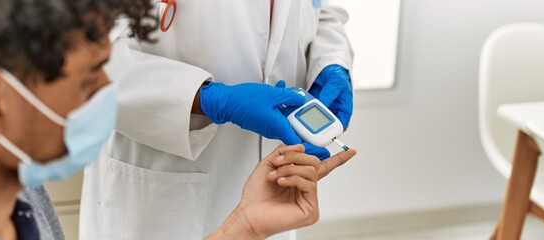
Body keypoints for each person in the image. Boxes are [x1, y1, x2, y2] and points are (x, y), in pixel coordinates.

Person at [0, 0, 350, 239]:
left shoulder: (20, 203)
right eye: (93, 78)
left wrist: (242, 226)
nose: (107, 93)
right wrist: (205, 97)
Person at [81, 0, 356, 239]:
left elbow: (323, 12)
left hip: (278, 193)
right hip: (162, 202)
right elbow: (78, 60)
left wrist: (331, 62)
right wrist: (206, 98)